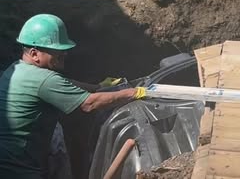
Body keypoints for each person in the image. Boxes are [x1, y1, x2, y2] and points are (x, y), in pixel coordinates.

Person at [0, 14, 145, 178]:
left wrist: (98, 87)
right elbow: (89, 104)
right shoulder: (44, 79)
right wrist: (132, 93)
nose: (65, 54)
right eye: (57, 51)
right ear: (34, 54)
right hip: (17, 169)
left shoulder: (18, 69)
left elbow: (62, 83)